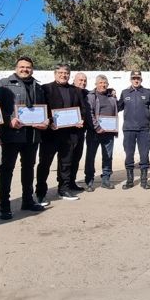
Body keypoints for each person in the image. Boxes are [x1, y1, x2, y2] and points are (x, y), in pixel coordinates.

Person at [0, 56, 48, 220]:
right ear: (16, 67)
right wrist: (9, 119)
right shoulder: (3, 84)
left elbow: (44, 109)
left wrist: (45, 121)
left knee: (29, 168)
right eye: (22, 66)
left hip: (32, 136)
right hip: (11, 135)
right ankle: (4, 206)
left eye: (28, 67)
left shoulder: (38, 87)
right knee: (7, 169)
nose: (25, 69)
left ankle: (28, 200)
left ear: (32, 69)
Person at [37, 64, 88, 201]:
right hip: (50, 134)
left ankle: (63, 189)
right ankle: (40, 192)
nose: (63, 75)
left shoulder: (75, 90)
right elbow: (42, 108)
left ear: (69, 75)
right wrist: (49, 122)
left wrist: (81, 120)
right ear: (55, 74)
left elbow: (82, 109)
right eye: (60, 72)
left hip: (69, 134)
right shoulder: (46, 89)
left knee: (66, 163)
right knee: (45, 164)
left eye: (66, 73)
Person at [118, 70, 150, 189]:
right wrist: (110, 95)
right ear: (130, 79)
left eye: (138, 78)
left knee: (144, 155)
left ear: (141, 79)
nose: (136, 80)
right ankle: (130, 181)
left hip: (144, 130)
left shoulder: (147, 92)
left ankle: (144, 181)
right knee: (129, 155)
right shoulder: (124, 93)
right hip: (128, 129)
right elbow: (117, 108)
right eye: (134, 78)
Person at [84, 74, 118, 190]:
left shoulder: (112, 96)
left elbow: (116, 111)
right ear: (96, 84)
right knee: (90, 156)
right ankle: (89, 180)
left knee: (108, 157)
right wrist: (97, 127)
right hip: (94, 132)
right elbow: (90, 113)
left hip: (109, 132)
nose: (103, 85)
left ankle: (106, 179)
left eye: (105, 83)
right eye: (100, 83)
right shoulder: (91, 96)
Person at [70, 72, 89, 189]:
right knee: (67, 159)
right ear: (74, 80)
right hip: (68, 132)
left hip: (81, 132)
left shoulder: (86, 93)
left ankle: (72, 182)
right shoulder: (69, 90)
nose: (83, 82)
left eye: (84, 80)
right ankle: (64, 184)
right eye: (80, 80)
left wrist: (110, 91)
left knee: (76, 157)